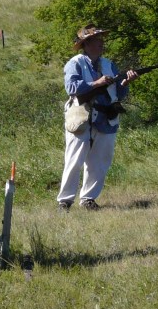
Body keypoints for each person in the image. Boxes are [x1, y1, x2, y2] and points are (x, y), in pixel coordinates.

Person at [57, 24, 139, 211]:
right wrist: (96, 83)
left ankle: (88, 199)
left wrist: (125, 82)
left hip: (105, 116)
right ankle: (65, 201)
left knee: (100, 160)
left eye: (101, 40)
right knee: (74, 159)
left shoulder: (109, 64)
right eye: (96, 40)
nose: (101, 43)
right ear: (86, 44)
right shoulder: (75, 63)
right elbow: (72, 88)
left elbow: (118, 93)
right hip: (81, 115)